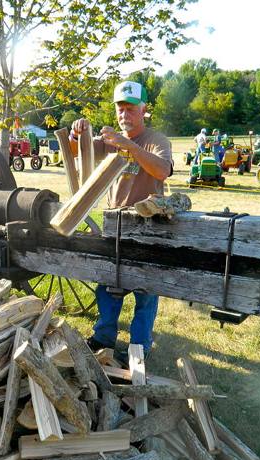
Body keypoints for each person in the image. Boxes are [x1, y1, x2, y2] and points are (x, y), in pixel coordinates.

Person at [69, 80, 173, 364]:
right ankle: (104, 337)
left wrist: (129, 146)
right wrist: (77, 134)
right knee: (108, 285)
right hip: (115, 222)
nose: (124, 114)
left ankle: (139, 347)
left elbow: (162, 171)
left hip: (148, 225)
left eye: (130, 108)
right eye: (120, 108)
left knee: (145, 291)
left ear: (144, 110)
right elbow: (78, 153)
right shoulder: (109, 141)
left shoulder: (155, 140)